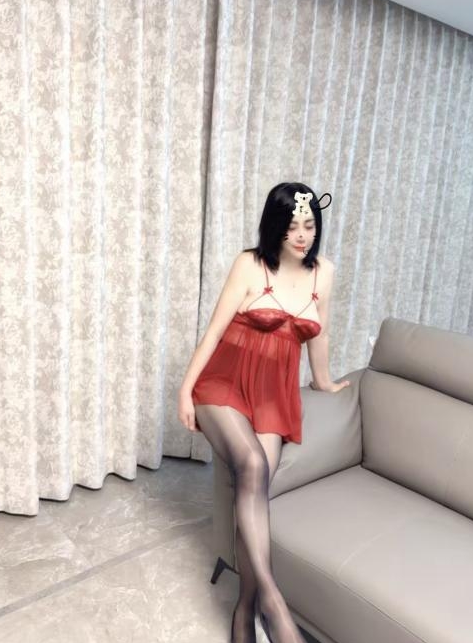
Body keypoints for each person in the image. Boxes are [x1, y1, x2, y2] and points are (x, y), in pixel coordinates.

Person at [177, 182, 350, 643]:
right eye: (293, 227)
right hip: (224, 383)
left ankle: (244, 610)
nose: (303, 236)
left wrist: (324, 382)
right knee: (252, 464)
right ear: (275, 227)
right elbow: (214, 332)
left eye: (310, 225)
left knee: (257, 485)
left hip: (274, 396)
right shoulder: (250, 264)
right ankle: (274, 607)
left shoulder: (324, 273)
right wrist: (186, 390)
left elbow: (320, 335)